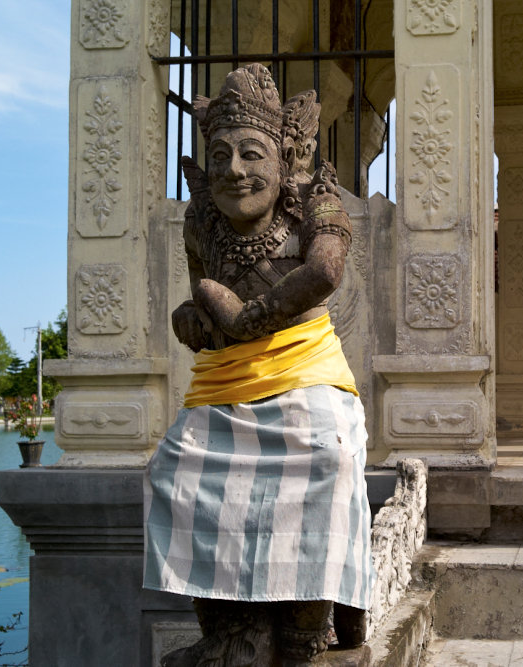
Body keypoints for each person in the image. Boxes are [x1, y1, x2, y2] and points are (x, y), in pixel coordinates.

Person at [143, 64, 373, 666]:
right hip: (228, 381)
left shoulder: (318, 204)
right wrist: (192, 320)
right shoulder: (202, 222)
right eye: (220, 156)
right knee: (175, 469)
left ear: (284, 159)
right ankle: (231, 628)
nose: (234, 170)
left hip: (307, 373)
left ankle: (305, 625)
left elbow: (324, 271)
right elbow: (201, 299)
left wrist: (255, 316)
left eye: (251, 153)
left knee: (328, 460)